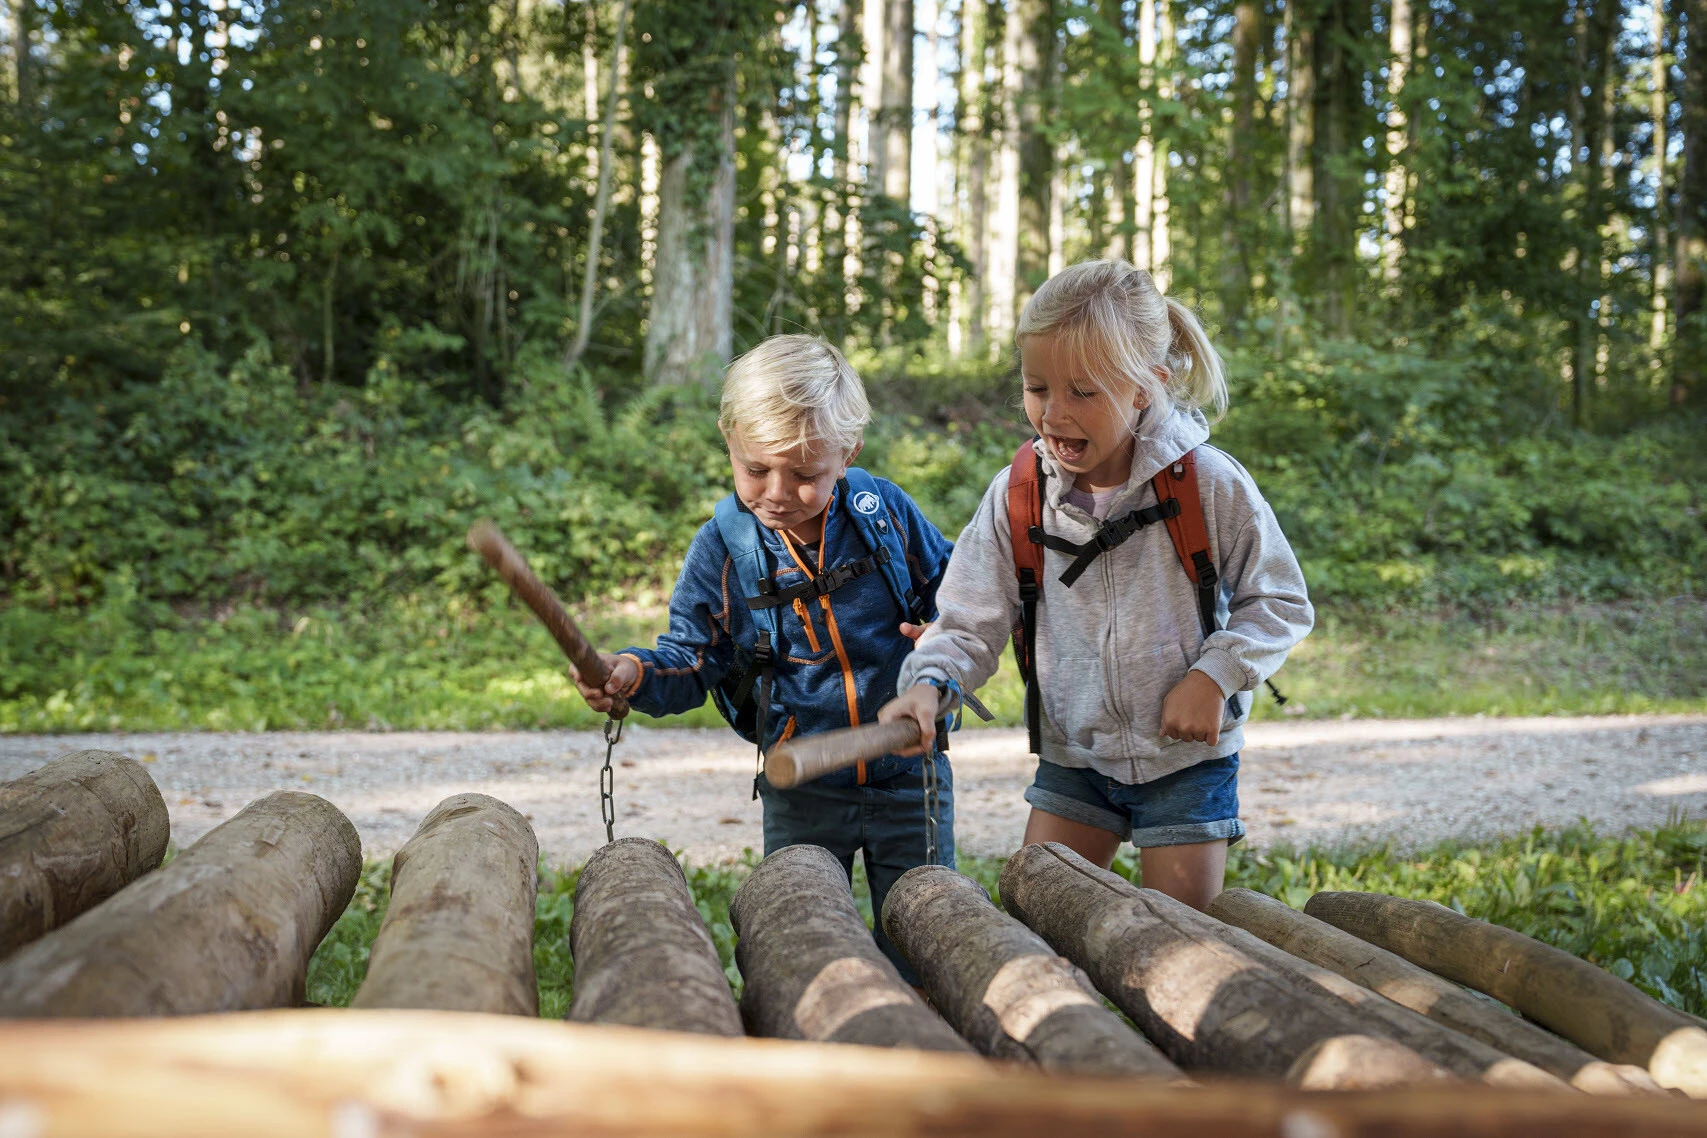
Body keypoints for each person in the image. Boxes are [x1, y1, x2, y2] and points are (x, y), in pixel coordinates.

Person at [878, 260, 1313, 910]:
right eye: (1036, 387)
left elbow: (1278, 601)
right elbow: (967, 620)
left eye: (1082, 392)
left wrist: (1214, 675)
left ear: (1145, 388)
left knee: (1182, 941)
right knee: (1039, 918)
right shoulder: (1018, 494)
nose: (1052, 413)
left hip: (1184, 765)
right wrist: (928, 682)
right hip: (1073, 758)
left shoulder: (1206, 484)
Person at [574, 334, 956, 980]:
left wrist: (938, 652)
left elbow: (959, 603)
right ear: (729, 441)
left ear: (848, 453)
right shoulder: (723, 549)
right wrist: (633, 674)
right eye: (756, 469)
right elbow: (691, 659)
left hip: (905, 780)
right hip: (799, 787)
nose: (777, 492)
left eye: (805, 475)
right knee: (802, 944)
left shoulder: (883, 515)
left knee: (924, 938)